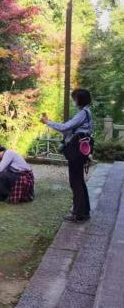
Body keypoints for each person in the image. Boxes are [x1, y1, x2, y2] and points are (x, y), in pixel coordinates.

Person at [41, 88, 94, 222]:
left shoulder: (82, 113)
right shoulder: (86, 112)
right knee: (79, 181)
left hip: (76, 151)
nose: (73, 100)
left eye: (75, 98)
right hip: (80, 151)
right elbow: (70, 131)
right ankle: (83, 211)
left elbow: (65, 127)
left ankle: (79, 214)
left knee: (75, 181)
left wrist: (48, 122)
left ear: (80, 99)